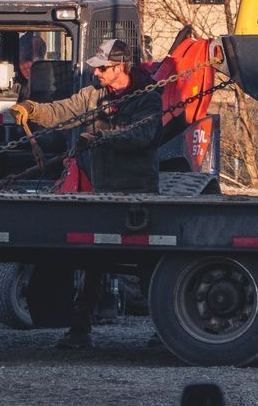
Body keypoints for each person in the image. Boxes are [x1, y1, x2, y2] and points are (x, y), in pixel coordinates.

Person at [11, 37, 162, 347]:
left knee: (147, 267)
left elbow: (142, 135)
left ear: (120, 67)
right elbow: (64, 110)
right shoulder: (94, 95)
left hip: (138, 193)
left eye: (104, 69)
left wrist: (99, 136)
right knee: (93, 262)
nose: (98, 74)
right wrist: (32, 109)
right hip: (104, 191)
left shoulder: (148, 98)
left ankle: (163, 331)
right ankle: (80, 328)